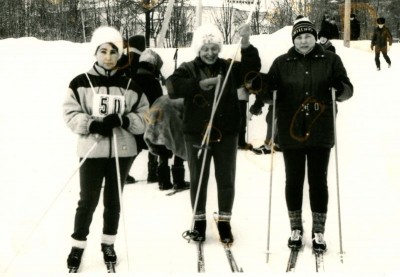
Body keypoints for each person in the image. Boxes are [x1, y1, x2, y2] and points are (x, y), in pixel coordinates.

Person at [259, 17, 353, 253]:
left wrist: (340, 89)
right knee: (293, 180)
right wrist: (266, 89)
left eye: (307, 36)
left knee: (318, 181)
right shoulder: (282, 63)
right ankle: (296, 228)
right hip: (291, 131)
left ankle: (318, 230)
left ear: (315, 37)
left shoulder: (331, 59)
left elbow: (347, 89)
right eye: (299, 37)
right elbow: (267, 93)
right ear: (293, 39)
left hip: (321, 129)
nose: (303, 41)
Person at [63, 26, 149, 271]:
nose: (109, 57)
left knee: (114, 200)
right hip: (92, 149)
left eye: (113, 51)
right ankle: (77, 245)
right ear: (96, 52)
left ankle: (108, 243)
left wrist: (125, 120)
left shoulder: (130, 83)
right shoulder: (81, 82)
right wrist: (90, 124)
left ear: (120, 54)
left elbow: (145, 116)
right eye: (103, 51)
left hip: (122, 150)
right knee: (87, 199)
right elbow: (69, 113)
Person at [166, 23, 261, 242]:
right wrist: (198, 85)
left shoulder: (228, 67)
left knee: (226, 178)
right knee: (199, 178)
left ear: (219, 48)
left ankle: (225, 222)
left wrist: (245, 45)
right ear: (198, 49)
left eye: (213, 48)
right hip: (196, 133)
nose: (209, 52)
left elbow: (250, 71)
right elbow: (171, 87)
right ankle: (198, 222)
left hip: (226, 133)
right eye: (205, 48)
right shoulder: (188, 68)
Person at [144, 95, 190, 191]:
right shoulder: (184, 98)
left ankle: (163, 182)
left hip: (156, 115)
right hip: (170, 116)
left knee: (162, 146)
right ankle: (179, 180)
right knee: (179, 143)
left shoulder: (164, 97)